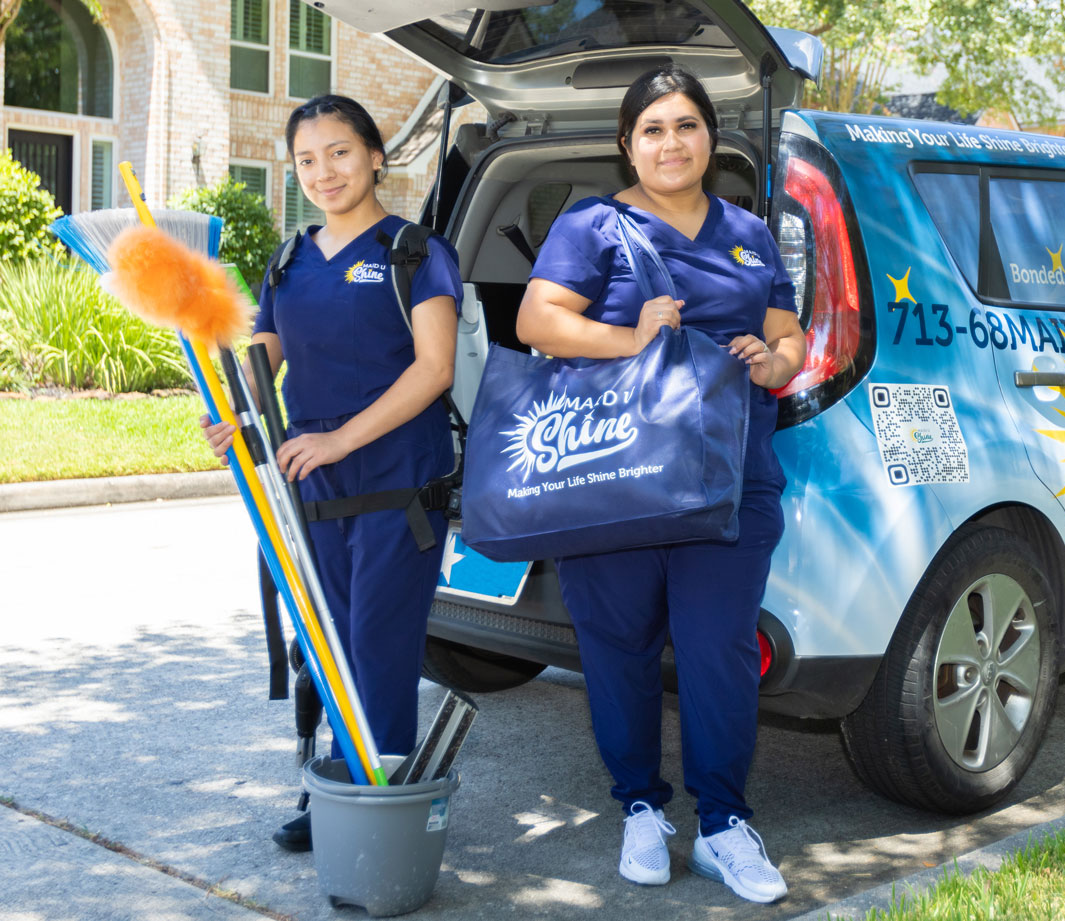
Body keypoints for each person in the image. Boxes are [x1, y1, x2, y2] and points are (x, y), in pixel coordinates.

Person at [515, 63, 807, 904]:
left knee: (719, 652)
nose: (670, 142)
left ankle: (723, 823)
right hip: (617, 477)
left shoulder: (750, 232)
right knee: (619, 650)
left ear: (711, 137)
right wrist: (630, 338)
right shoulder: (592, 225)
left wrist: (770, 359)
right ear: (626, 145)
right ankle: (641, 806)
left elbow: (789, 334)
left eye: (685, 125)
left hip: (730, 482)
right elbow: (538, 319)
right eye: (652, 129)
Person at [201, 94, 461, 852]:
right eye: (307, 160)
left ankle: (372, 804)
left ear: (377, 156)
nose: (325, 172)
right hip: (313, 493)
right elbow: (264, 362)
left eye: (340, 152)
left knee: (379, 644)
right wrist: (238, 418)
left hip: (397, 489)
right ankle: (339, 789)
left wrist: (342, 438)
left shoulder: (413, 251)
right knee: (328, 644)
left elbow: (435, 368)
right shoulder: (288, 260)